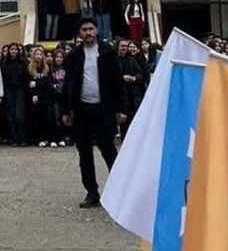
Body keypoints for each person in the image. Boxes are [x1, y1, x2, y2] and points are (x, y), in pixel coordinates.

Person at [61, 18, 129, 209]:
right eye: (84, 29)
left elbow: (117, 81)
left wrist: (121, 108)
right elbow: (68, 83)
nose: (88, 32)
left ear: (97, 30)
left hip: (104, 109)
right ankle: (92, 192)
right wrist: (65, 110)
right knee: (84, 153)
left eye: (91, 29)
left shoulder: (108, 52)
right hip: (82, 109)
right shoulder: (74, 55)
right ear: (79, 33)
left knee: (108, 149)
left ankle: (120, 191)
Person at [27, 46, 59, 146]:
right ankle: (41, 138)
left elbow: (48, 82)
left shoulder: (47, 67)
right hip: (36, 96)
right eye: (36, 54)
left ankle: (53, 139)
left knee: (49, 117)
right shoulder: (29, 68)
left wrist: (37, 83)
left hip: (47, 95)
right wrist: (34, 94)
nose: (38, 56)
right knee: (38, 118)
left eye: (40, 54)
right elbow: (30, 83)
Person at [0, 43, 28, 146]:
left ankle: (23, 138)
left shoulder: (23, 62)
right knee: (11, 116)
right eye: (12, 49)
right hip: (9, 91)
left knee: (19, 115)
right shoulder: (5, 63)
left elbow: (26, 78)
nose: (14, 51)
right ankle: (14, 139)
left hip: (20, 90)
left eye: (16, 49)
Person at [115, 39, 143, 137]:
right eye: (122, 46)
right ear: (118, 46)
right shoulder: (113, 60)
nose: (124, 48)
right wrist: (121, 78)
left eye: (126, 46)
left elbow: (140, 73)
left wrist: (134, 78)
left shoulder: (132, 59)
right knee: (123, 122)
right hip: (119, 95)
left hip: (132, 95)